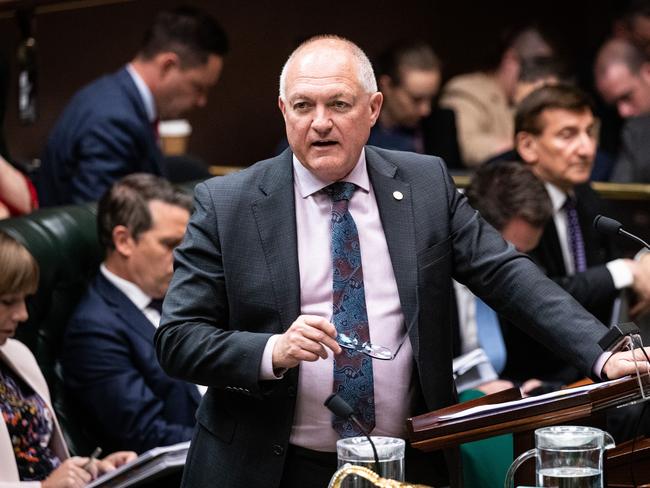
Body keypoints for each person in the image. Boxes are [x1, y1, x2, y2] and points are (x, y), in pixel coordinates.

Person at [154, 36, 649, 488]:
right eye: (303, 106)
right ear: (283, 110)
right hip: (269, 466)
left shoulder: (425, 184)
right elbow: (178, 339)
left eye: (339, 104)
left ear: (373, 109)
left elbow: (506, 273)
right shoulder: (228, 204)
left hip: (405, 463)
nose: (319, 122)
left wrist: (601, 353)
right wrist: (271, 351)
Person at [505, 83, 650, 385]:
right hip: (536, 374)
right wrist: (625, 271)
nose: (587, 149)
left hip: (593, 363)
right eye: (568, 135)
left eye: (589, 132)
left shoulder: (582, 193)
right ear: (528, 145)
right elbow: (542, 294)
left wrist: (643, 262)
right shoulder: (511, 206)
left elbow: (623, 243)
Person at [36, 6, 228, 207]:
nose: (202, 101)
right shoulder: (112, 122)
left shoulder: (116, 95)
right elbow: (99, 221)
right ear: (168, 65)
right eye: (198, 87)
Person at [61, 174, 199, 454]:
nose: (184, 258)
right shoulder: (94, 329)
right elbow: (147, 435)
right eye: (171, 245)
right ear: (124, 240)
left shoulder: (189, 293)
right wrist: (240, 446)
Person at [0, 231, 136, 487]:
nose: (23, 315)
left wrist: (91, 469)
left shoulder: (17, 353)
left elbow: (43, 458)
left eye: (25, 300)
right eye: (8, 301)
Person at [457, 160, 553, 395]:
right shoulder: (429, 273)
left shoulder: (525, 264)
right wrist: (464, 389)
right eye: (513, 251)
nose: (518, 265)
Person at [440, 26, 553, 167]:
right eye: (537, 65)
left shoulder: (527, 95)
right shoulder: (467, 90)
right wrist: (537, 145)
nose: (542, 76)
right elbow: (470, 147)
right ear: (510, 59)